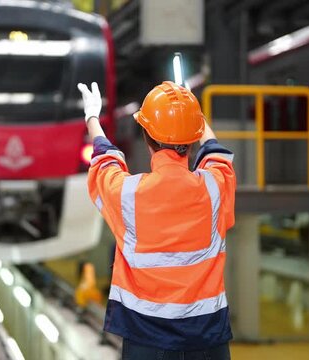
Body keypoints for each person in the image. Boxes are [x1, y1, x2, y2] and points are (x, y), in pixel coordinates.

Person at [77, 81, 236, 360]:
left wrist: (92, 116)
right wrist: (193, 118)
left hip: (146, 342)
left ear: (146, 138)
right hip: (208, 341)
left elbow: (105, 160)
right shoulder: (215, 188)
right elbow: (216, 154)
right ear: (191, 139)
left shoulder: (127, 194)